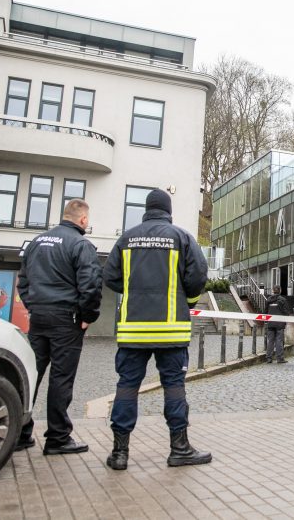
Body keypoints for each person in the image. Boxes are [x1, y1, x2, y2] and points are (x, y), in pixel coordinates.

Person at [102, 189, 210, 470]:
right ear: (168, 210)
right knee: (174, 387)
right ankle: (180, 449)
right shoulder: (181, 237)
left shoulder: (127, 239)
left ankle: (119, 453)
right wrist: (186, 301)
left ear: (146, 210)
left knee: (127, 387)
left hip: (133, 330)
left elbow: (111, 276)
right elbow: (198, 276)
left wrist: (134, 290)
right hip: (171, 330)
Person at [15, 198, 102, 454]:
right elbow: (91, 284)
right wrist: (88, 316)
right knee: (61, 378)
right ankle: (58, 438)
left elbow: (23, 281)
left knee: (31, 375)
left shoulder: (37, 242)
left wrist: (33, 307)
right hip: (67, 320)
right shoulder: (80, 245)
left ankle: (19, 433)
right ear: (83, 219)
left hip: (39, 318)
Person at [264, 286, 289, 363]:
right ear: (280, 291)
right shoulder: (283, 300)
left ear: (273, 291)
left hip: (270, 323)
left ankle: (269, 358)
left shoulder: (269, 300)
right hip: (280, 324)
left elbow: (265, 312)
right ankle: (280, 358)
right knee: (279, 341)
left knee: (270, 341)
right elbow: (286, 312)